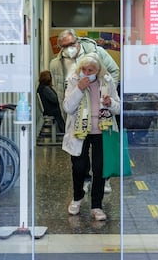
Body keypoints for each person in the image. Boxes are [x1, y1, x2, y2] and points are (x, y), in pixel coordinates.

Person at [50, 28, 120, 193]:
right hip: (76, 112)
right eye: (64, 46)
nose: (68, 48)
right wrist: (65, 110)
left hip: (100, 112)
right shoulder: (57, 63)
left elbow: (114, 71)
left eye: (71, 44)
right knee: (79, 154)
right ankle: (86, 180)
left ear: (78, 41)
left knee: (102, 155)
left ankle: (104, 181)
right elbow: (59, 90)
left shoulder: (97, 52)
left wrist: (107, 93)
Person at [62, 53, 120, 221]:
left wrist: (110, 104)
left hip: (102, 131)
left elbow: (118, 108)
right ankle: (77, 198)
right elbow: (67, 107)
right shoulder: (74, 81)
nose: (87, 73)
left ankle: (96, 205)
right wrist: (79, 89)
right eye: (84, 69)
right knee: (79, 167)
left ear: (98, 70)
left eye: (91, 70)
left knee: (100, 169)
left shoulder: (107, 81)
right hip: (80, 131)